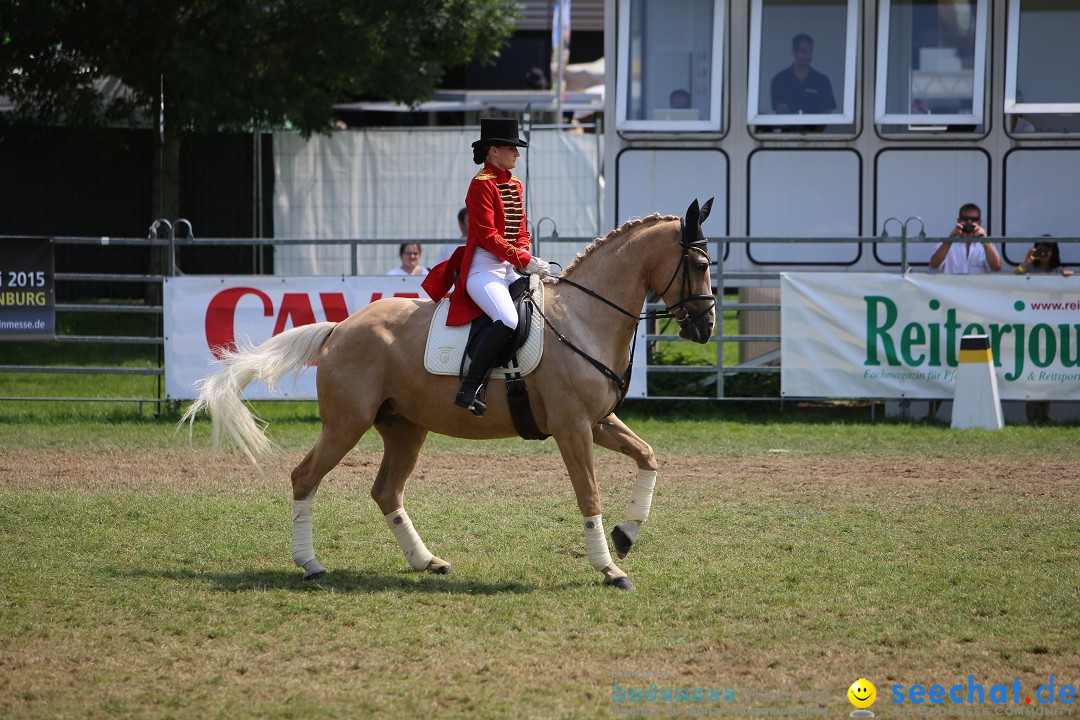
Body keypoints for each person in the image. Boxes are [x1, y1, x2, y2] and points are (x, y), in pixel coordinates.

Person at [422, 117, 551, 416]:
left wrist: (526, 253)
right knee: (507, 319)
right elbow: (488, 235)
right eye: (511, 149)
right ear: (493, 150)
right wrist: (524, 260)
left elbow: (521, 228)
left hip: (510, 268)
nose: (517, 154)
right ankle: (468, 388)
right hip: (483, 268)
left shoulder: (515, 184)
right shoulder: (481, 185)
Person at [925, 203, 1001, 420]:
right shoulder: (948, 242)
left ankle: (979, 409)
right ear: (958, 220)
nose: (969, 224)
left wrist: (984, 240)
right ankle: (933, 412)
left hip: (977, 313)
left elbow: (996, 267)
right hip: (949, 313)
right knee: (943, 360)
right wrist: (952, 238)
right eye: (965, 219)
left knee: (977, 361)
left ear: (980, 222)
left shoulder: (984, 244)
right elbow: (934, 264)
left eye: (973, 220)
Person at [1014, 238, 1072, 423]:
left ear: (1054, 252)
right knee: (1031, 373)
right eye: (1040, 249)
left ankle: (1045, 415)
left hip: (1051, 331)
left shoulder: (1058, 271)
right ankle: (1032, 416)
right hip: (1030, 329)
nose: (1043, 253)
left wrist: (1067, 279)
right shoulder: (1029, 269)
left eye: (1048, 249)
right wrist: (1025, 263)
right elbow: (1010, 279)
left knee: (1046, 373)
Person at [770, 33, 836, 116]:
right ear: (793, 51)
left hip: (816, 129)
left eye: (810, 52)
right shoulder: (779, 80)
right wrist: (795, 128)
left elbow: (826, 111)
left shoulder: (822, 81)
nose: (808, 56)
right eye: (803, 52)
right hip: (787, 129)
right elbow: (781, 110)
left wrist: (812, 129)